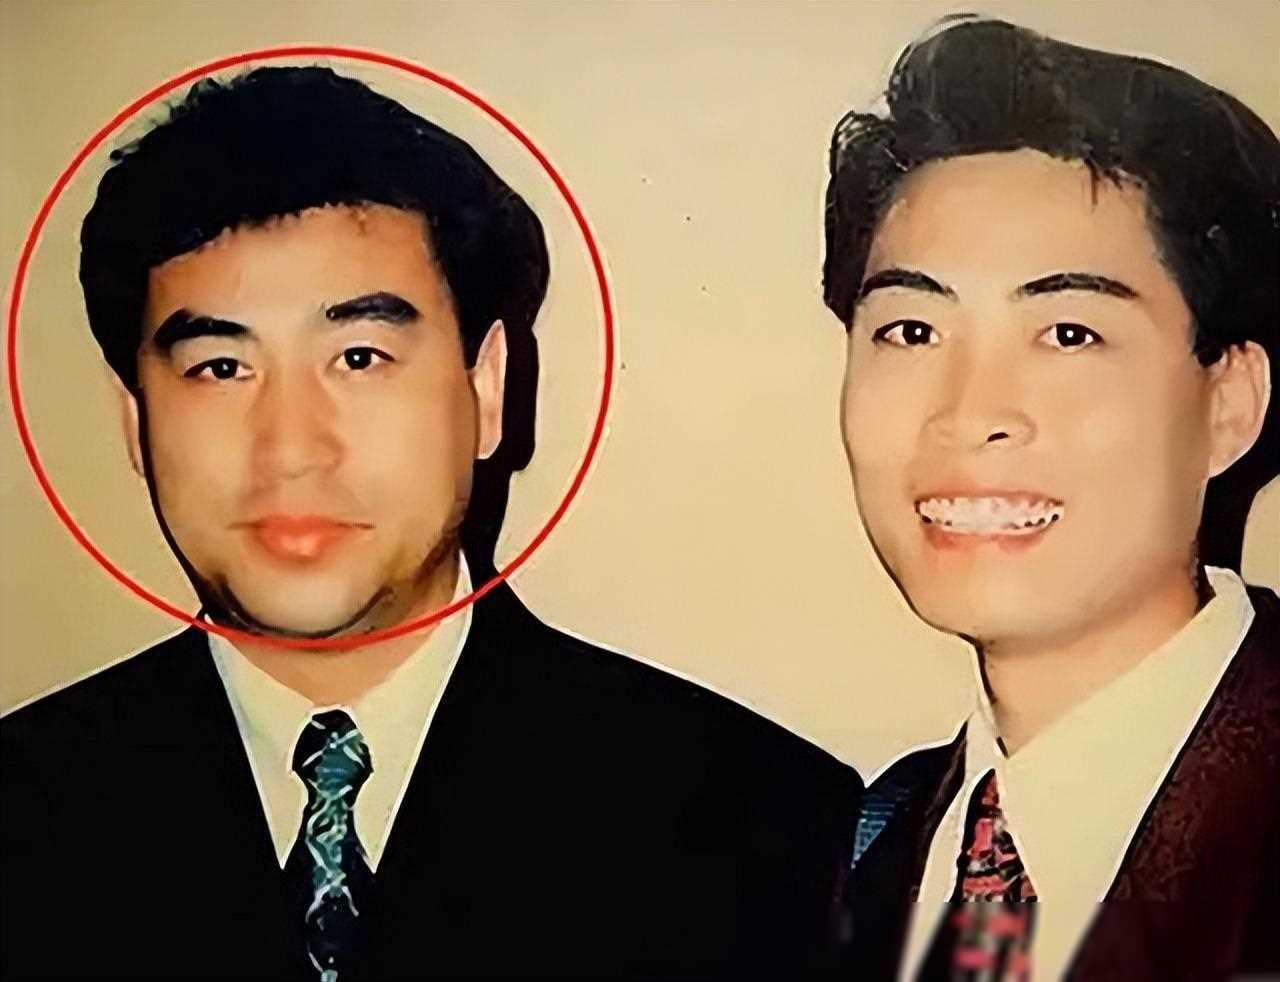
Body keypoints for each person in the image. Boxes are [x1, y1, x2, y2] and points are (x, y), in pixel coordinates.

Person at [1, 67, 860, 979]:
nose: (290, 450)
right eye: (221, 368)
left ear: (485, 390)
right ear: (134, 422)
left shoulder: (755, 820)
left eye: (359, 357)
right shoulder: (24, 813)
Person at [822, 17, 1279, 981]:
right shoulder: (853, 847)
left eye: (1069, 334)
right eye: (910, 331)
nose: (969, 415)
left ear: (1229, 403)